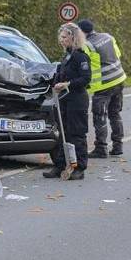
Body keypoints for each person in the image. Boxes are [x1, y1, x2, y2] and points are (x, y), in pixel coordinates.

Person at [44, 22, 91, 180]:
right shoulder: (67, 56)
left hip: (77, 100)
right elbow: (61, 74)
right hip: (63, 100)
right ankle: (60, 165)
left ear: (73, 37)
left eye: (64, 37)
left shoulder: (81, 56)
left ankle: (79, 168)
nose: (61, 40)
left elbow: (85, 78)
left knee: (76, 134)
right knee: (62, 134)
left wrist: (67, 84)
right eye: (60, 37)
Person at [78, 19, 126, 157]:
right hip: (119, 80)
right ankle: (118, 146)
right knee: (115, 114)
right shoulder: (108, 37)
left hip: (103, 85)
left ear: (82, 32)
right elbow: (118, 54)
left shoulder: (87, 45)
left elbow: (87, 65)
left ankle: (101, 148)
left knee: (100, 116)